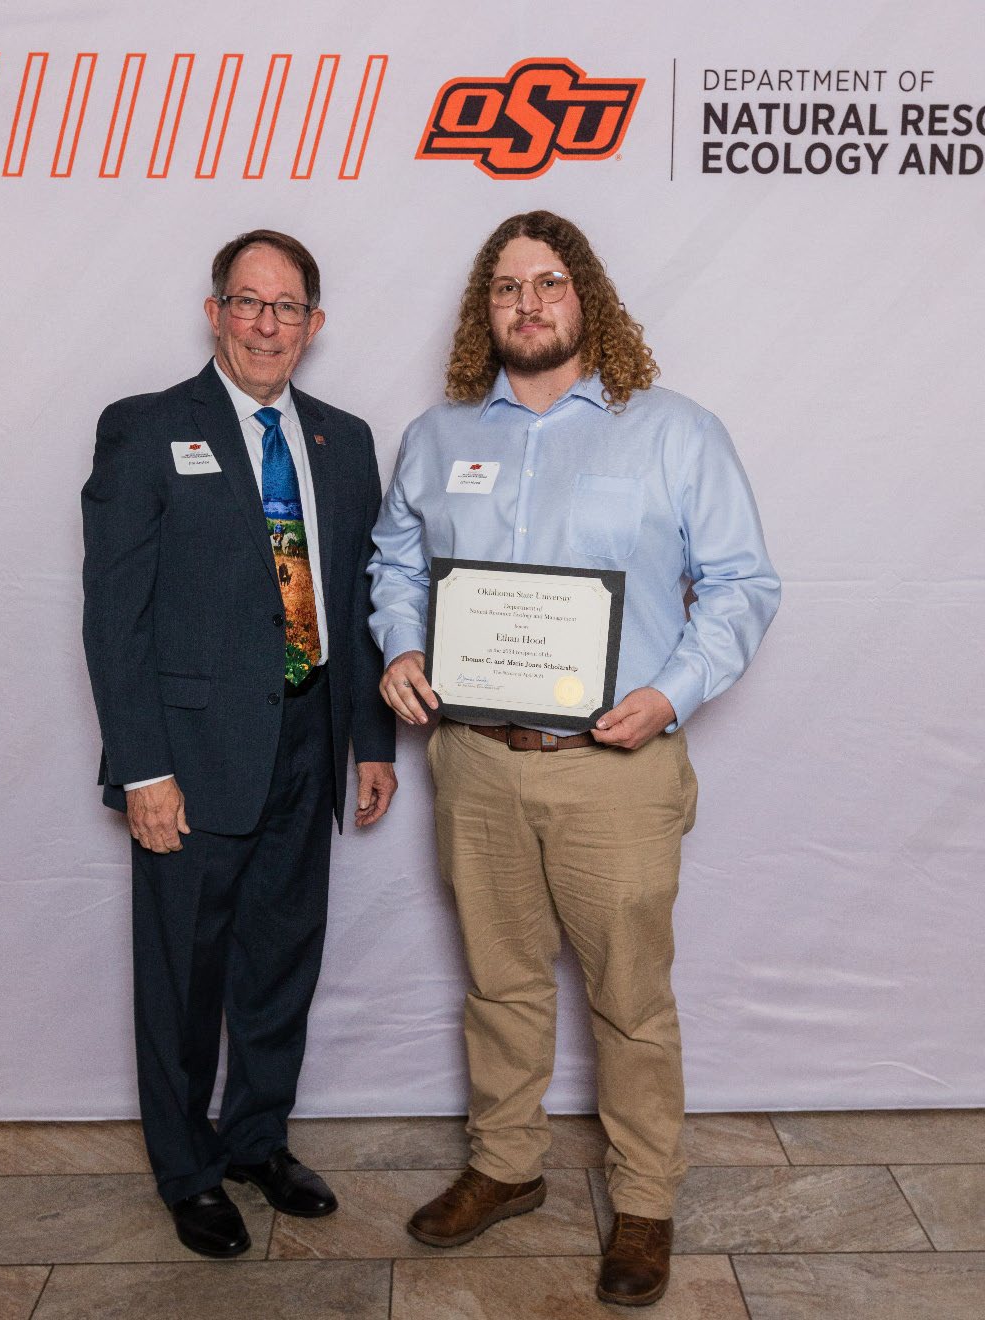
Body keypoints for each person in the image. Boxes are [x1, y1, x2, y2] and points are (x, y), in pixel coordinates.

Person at [368, 211, 779, 1307]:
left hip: (617, 767)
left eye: (549, 283)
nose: (529, 304)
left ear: (584, 297)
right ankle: (506, 1168)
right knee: (498, 985)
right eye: (506, 288)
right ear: (484, 310)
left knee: (630, 998)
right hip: (476, 764)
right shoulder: (438, 435)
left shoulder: (675, 431)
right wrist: (402, 644)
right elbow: (395, 560)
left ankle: (643, 1201)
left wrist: (669, 692)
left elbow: (742, 585)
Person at [82, 229, 396, 1258]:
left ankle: (258, 1138)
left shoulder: (343, 441)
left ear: (315, 322)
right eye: (249, 302)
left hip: (308, 739)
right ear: (215, 311)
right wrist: (142, 767)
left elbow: (355, 599)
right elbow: (114, 617)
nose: (269, 323)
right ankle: (188, 1169)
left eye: (289, 305)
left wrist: (372, 742)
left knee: (279, 960)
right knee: (184, 977)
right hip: (190, 755)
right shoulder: (144, 429)